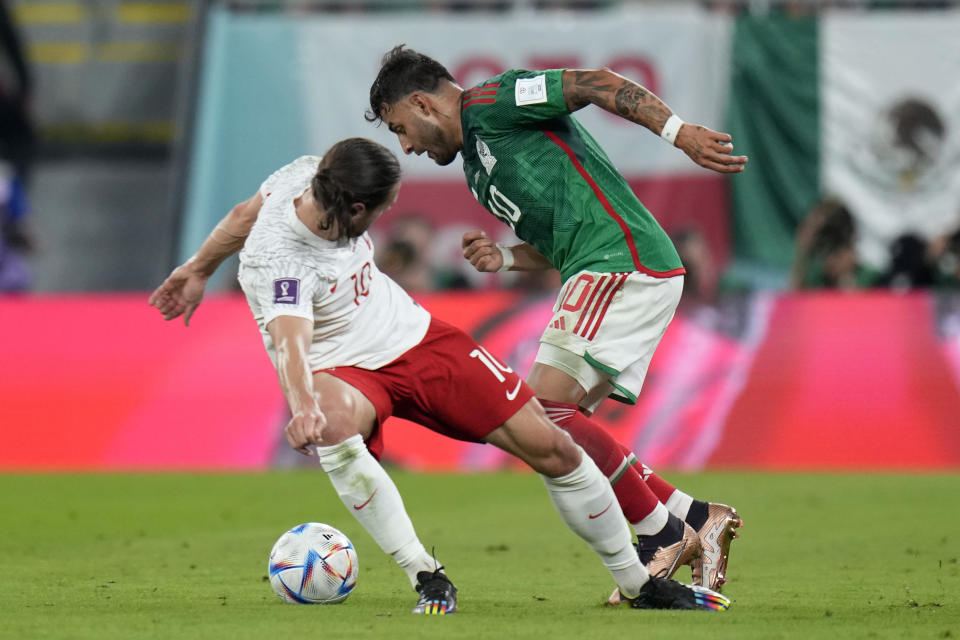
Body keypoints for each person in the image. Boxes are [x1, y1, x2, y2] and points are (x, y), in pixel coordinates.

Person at [149, 138, 729, 614]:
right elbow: (291, 340)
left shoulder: (307, 170)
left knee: (550, 444)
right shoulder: (283, 260)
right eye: (381, 211)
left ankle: (638, 582)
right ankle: (424, 573)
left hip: (414, 336)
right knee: (329, 426)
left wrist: (195, 268)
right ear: (355, 210)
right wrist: (302, 404)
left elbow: (241, 214)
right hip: (340, 368)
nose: (384, 221)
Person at [366, 46, 746, 596]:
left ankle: (660, 532)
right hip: (600, 266)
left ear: (424, 103)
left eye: (401, 127)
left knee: (541, 410)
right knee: (549, 428)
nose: (405, 146)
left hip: (620, 259)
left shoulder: (494, 102)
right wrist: (507, 259)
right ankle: (693, 516)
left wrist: (678, 132)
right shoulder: (477, 168)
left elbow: (593, 82)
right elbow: (556, 240)